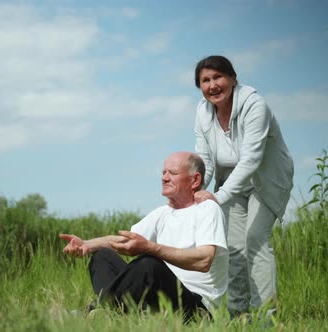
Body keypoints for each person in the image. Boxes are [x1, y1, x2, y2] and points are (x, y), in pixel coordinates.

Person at [59, 151, 228, 321]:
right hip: (157, 302)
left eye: (173, 173)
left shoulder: (207, 209)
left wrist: (151, 248)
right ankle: (111, 314)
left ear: (195, 180)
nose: (165, 178)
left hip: (195, 308)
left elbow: (204, 260)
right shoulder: (163, 213)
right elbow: (126, 241)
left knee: (149, 264)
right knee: (102, 256)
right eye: (164, 173)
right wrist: (87, 244)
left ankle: (91, 314)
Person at [192, 55, 294, 318]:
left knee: (255, 239)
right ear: (200, 86)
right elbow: (205, 160)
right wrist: (197, 190)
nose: (213, 85)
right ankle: (239, 315)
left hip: (266, 180)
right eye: (205, 80)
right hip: (232, 185)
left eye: (218, 77)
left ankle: (265, 316)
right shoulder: (203, 113)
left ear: (233, 79)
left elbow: (251, 159)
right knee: (234, 248)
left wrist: (217, 197)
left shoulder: (255, 106)